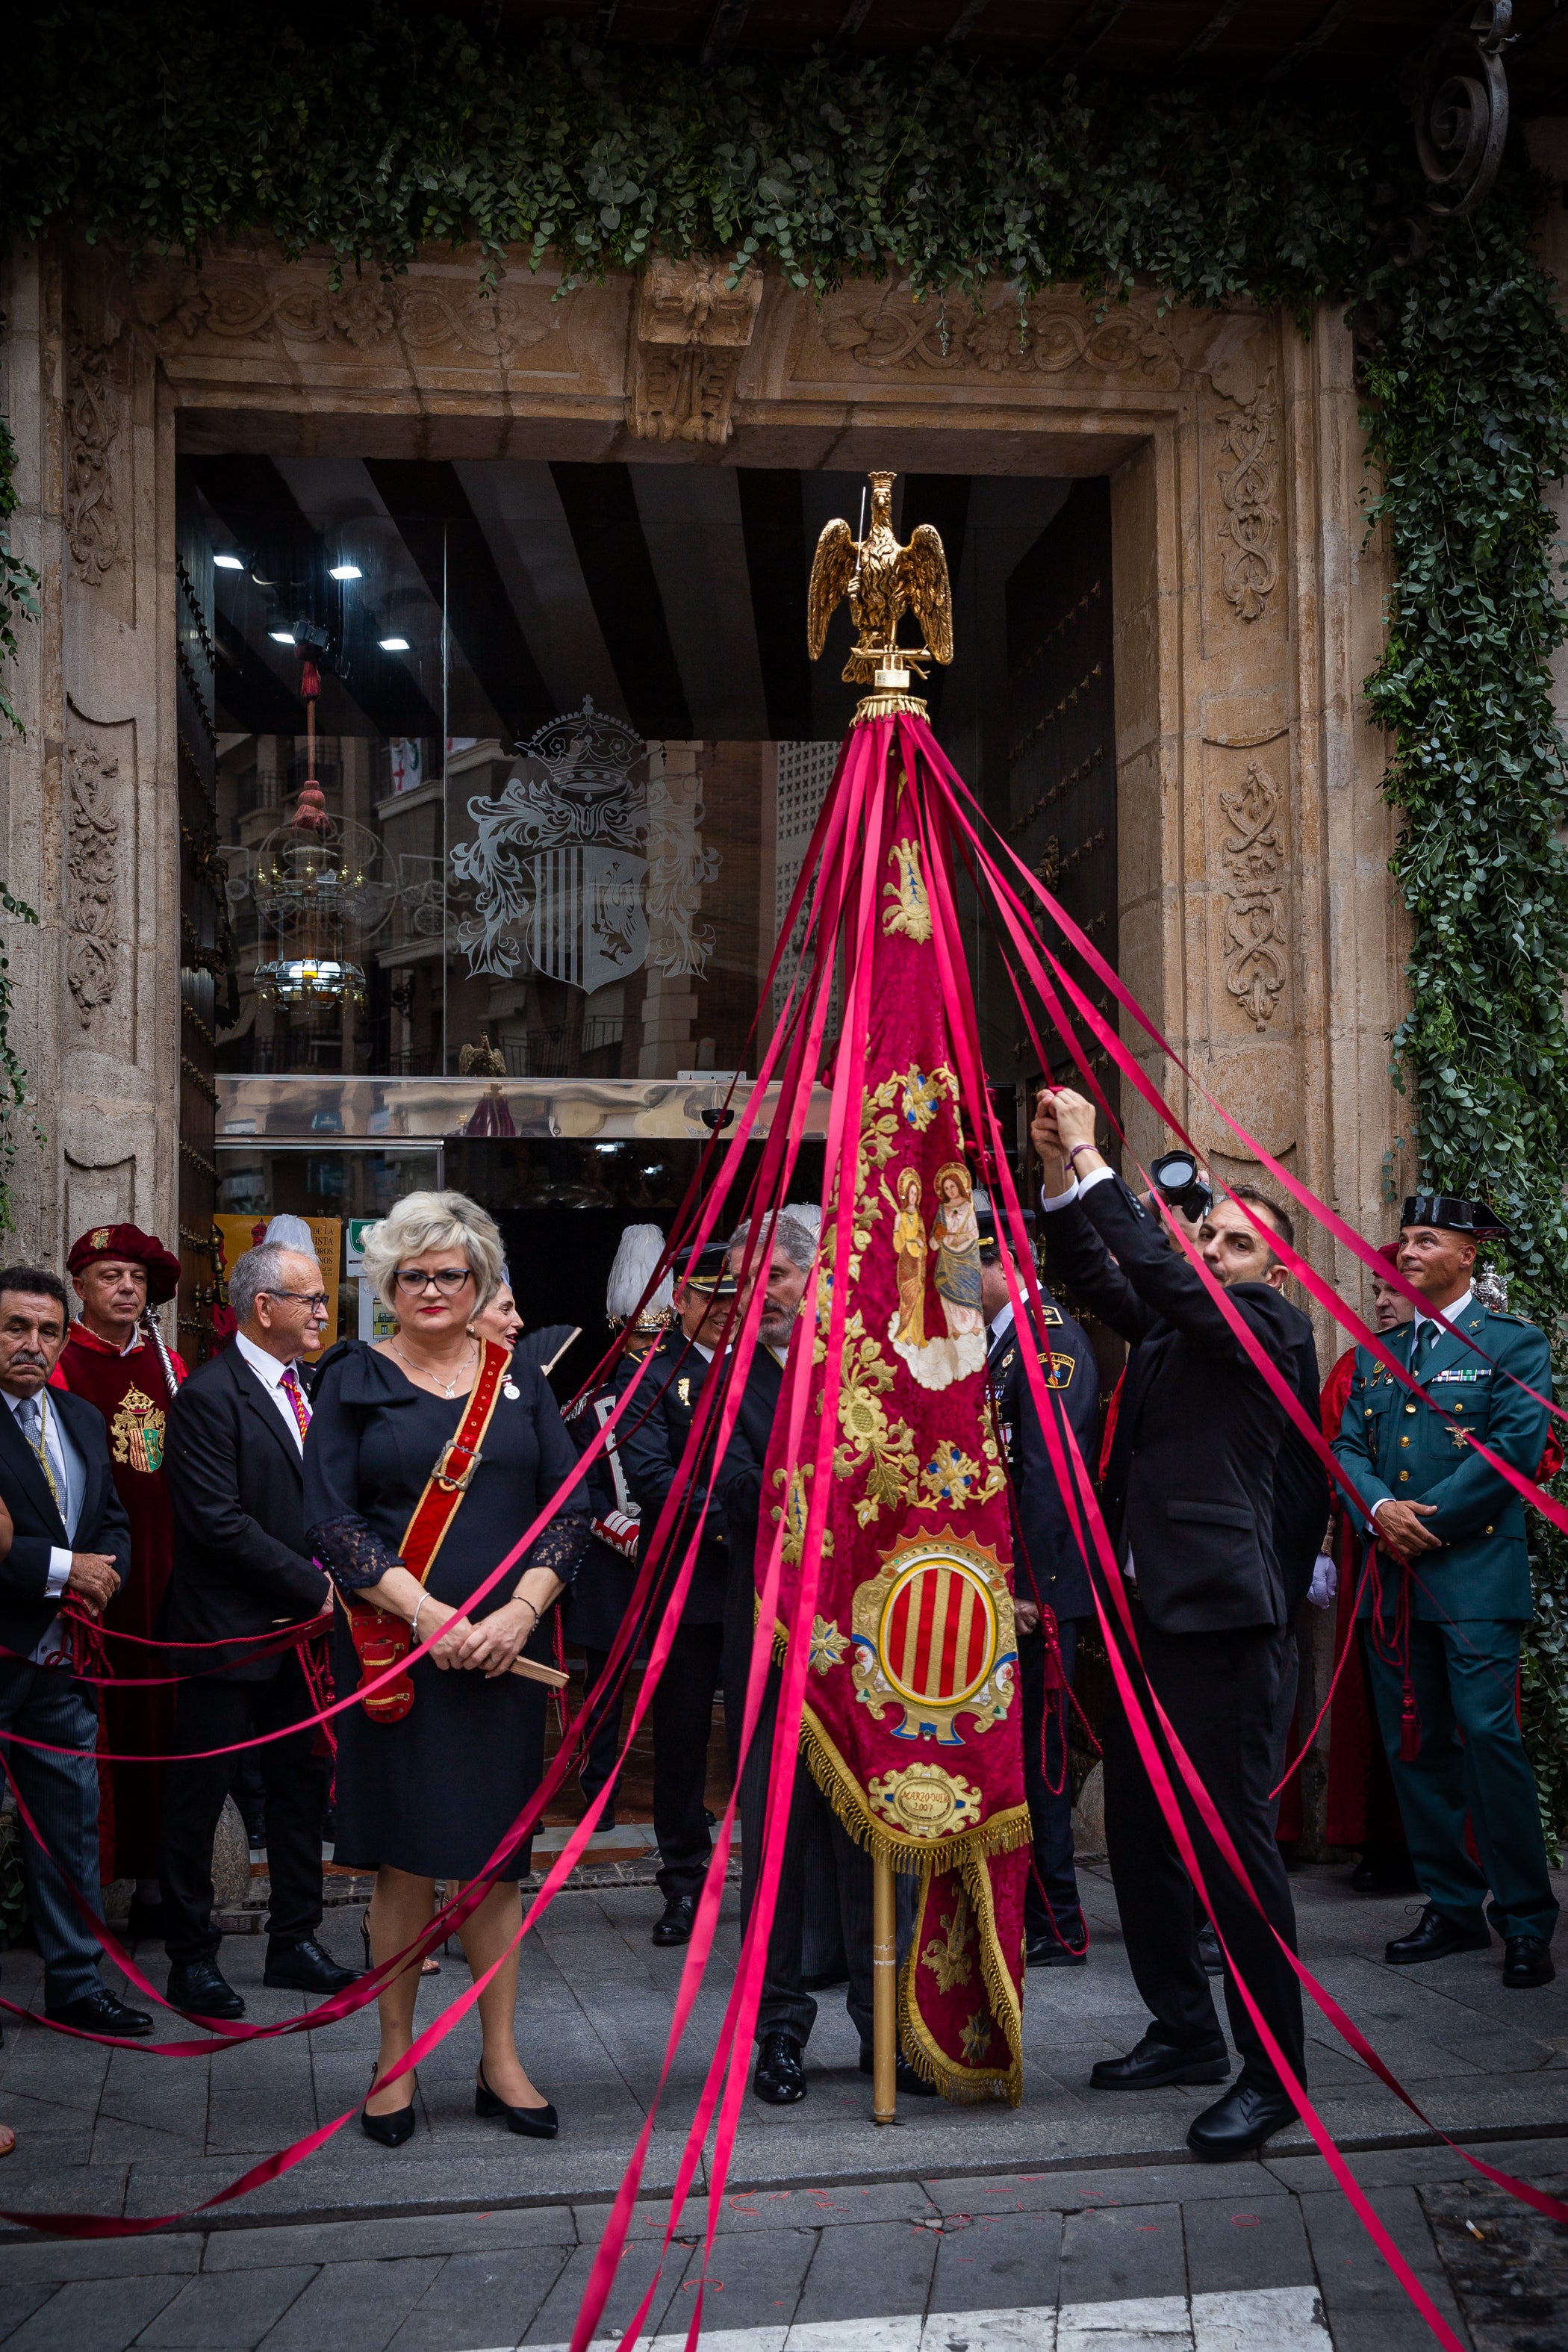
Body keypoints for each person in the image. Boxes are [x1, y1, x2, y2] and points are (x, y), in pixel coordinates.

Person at [1033, 1089, 1312, 2161]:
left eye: (1238, 1241)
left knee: (1234, 1850)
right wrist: (1063, 1174)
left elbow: (1155, 1275)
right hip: (1149, 1618)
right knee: (1145, 1838)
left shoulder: (1264, 1324)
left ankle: (1274, 2073)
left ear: (1272, 1269)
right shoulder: (1175, 1330)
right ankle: (1187, 2030)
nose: (1214, 1244)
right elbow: (1109, 1277)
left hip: (1227, 1629)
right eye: (1209, 1229)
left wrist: (1104, 1157)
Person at [304, 1190, 590, 2144]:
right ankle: (395, 2057)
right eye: (413, 1274)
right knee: (405, 1862)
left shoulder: (523, 1382)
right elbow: (331, 1522)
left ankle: (499, 2056)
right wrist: (430, 1616)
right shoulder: (350, 1378)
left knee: (498, 1864)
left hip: (504, 1660)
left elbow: (571, 1509)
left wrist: (517, 1613)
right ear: (387, 1285)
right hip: (399, 1658)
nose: (432, 1288)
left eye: (451, 1273)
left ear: (479, 1283)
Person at [718, 1208, 933, 2106]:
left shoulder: (870, 1375)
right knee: (779, 1848)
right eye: (745, 1280)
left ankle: (889, 2028)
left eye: (772, 1276)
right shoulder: (726, 1386)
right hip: (768, 1641)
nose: (757, 1296)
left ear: (819, 1277)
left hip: (866, 1649)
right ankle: (778, 2033)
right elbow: (721, 1491)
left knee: (871, 1836)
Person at [1332, 1195, 1559, 1990]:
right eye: (1408, 1237)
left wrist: (1426, 1521)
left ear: (1469, 1256)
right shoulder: (1375, 1354)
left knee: (1489, 1745)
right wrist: (1379, 1508)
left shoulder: (1513, 1346)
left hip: (1472, 1581)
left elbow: (1512, 1450)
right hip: (1394, 1585)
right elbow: (1348, 1443)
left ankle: (1526, 1919)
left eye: (1428, 1240)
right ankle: (1454, 1907)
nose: (1411, 1249)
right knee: (1416, 1748)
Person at [158, 1241, 357, 2018]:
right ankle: (190, 1957)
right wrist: (317, 1587)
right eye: (308, 1299)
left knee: (301, 1789)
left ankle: (295, 1940)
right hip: (228, 1634)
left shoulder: (310, 1388)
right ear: (262, 1307)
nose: (321, 1312)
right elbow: (215, 1523)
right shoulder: (209, 1395)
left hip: (303, 1641)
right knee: (199, 1796)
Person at [0, 1266, 149, 2035]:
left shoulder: (82, 1417)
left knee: (69, 1824)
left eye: (47, 1331)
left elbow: (111, 1520)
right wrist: (66, 1570)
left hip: (63, 1666)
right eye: (16, 1328)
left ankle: (77, 1984)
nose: (32, 1344)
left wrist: (107, 1571)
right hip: (4, 1650)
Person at [55, 1223, 185, 1938]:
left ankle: (159, 1887)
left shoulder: (170, 1365)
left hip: (167, 1575)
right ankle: (87, 1898)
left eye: (135, 1278)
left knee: (167, 1727)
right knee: (104, 1731)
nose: (127, 1289)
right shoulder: (60, 1363)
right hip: (97, 1578)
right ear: (80, 1286)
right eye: (110, 1277)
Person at [977, 1210, 1100, 1967]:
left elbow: (1049, 1477)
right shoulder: (1003, 1341)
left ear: (996, 1262)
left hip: (1037, 1596)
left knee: (1042, 1764)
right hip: (1012, 1586)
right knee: (1019, 1761)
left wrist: (1031, 1587)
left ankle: (1059, 1923)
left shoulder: (1046, 1338)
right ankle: (1037, 1913)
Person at [617, 1242, 738, 1947]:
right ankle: (684, 1881)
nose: (722, 1312)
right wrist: (745, 1519)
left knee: (765, 1734)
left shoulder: (768, 1369)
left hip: (759, 1585)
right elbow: (655, 1481)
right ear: (681, 1302)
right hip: (689, 1586)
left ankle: (779, 1880)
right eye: (709, 1298)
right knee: (684, 1740)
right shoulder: (652, 1379)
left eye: (732, 1298)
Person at [560, 1225, 671, 1824]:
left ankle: (673, 1793)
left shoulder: (685, 1398)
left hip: (672, 1558)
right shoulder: (589, 1408)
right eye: (640, 1342)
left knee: (673, 1684)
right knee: (604, 1688)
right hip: (614, 1564)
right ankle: (598, 1787)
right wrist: (626, 1534)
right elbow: (582, 1493)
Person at [1322, 1245, 1419, 1892]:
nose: (1379, 1302)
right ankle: (1382, 1839)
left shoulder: (1490, 1353)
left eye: (1391, 1290)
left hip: (1452, 1550)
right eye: (1375, 1291)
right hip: (1372, 1552)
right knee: (1373, 1701)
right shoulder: (1357, 1366)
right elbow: (1334, 1450)